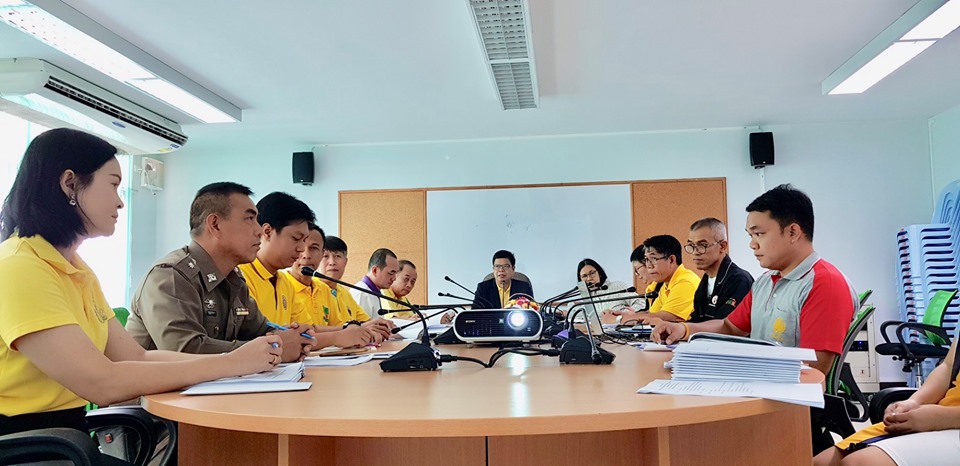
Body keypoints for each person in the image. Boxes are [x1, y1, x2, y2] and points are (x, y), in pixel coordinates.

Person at [0, 129, 280, 446]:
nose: (121, 202)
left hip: (64, 442)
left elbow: (137, 357)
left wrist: (236, 362)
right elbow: (101, 383)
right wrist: (230, 364)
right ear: (70, 184)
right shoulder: (20, 266)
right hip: (27, 446)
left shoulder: (76, 269)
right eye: (113, 185)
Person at [127, 184, 370, 359]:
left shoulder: (234, 280)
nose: (258, 230)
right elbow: (185, 352)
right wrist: (276, 346)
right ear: (215, 225)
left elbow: (261, 330)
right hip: (153, 412)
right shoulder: (170, 276)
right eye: (249, 219)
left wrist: (295, 338)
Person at [652, 184, 857, 377]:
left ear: (793, 232)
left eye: (759, 234)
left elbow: (813, 370)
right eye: (750, 235)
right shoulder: (765, 282)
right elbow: (730, 327)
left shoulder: (824, 284)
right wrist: (684, 329)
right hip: (757, 384)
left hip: (783, 397)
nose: (752, 244)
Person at [814, 337, 960, 466]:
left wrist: (943, 418)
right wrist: (914, 401)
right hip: (941, 415)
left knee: (859, 463)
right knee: (820, 463)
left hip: (952, 422)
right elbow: (948, 367)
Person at [283, 227, 391, 341]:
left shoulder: (325, 289)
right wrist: (356, 330)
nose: (306, 255)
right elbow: (308, 333)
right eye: (326, 256)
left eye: (314, 248)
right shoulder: (284, 285)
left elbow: (340, 327)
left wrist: (370, 329)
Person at [620, 235, 700, 324]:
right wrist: (627, 316)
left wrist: (626, 319)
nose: (649, 266)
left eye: (653, 259)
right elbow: (652, 313)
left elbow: (667, 316)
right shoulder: (666, 285)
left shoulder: (685, 282)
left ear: (671, 260)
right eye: (647, 260)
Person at [686, 217, 754, 323]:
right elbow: (698, 319)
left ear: (722, 246)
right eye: (691, 246)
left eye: (702, 245)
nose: (695, 252)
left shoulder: (739, 280)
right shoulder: (705, 281)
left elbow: (725, 325)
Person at [318, 236, 385, 327]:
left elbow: (366, 322)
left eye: (337, 256)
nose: (332, 262)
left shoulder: (345, 293)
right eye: (325, 256)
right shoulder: (312, 290)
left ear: (345, 262)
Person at [576, 258, 643, 316]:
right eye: (584, 276)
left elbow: (641, 303)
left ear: (599, 273)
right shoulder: (585, 296)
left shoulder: (617, 287)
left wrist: (624, 314)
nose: (589, 278)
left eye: (592, 273)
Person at [352, 248, 400, 318]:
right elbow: (361, 324)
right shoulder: (362, 294)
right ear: (375, 270)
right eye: (391, 273)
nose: (394, 278)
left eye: (395, 273)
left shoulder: (374, 292)